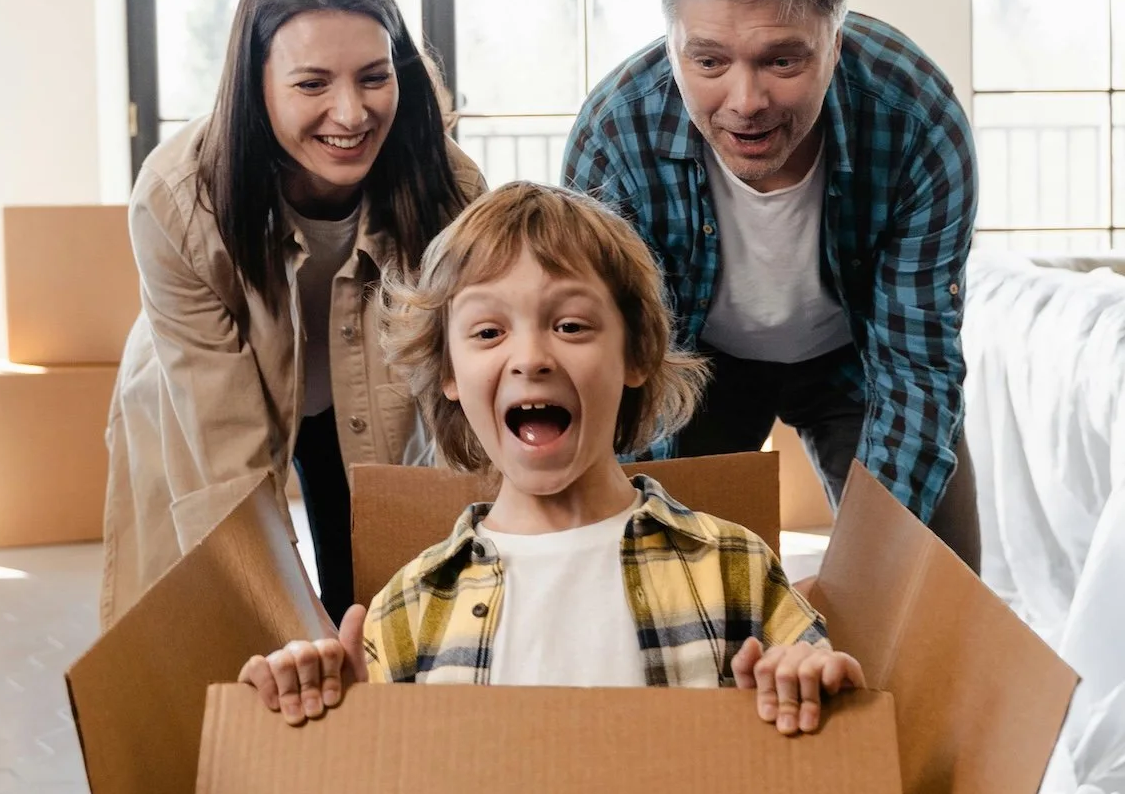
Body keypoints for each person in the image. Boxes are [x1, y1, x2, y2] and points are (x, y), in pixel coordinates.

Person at [240, 181, 862, 734]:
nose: (530, 357)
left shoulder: (736, 570)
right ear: (449, 372)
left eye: (569, 326)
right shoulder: (409, 608)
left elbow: (825, 704)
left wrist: (807, 677)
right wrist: (327, 711)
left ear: (636, 357)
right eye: (488, 332)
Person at [561, 0, 982, 566]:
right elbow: (615, 363)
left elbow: (916, 364)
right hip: (693, 361)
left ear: (835, 42)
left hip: (860, 357)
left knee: (931, 587)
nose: (746, 101)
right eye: (709, 62)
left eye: (782, 60)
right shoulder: (614, 137)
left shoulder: (917, 120)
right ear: (671, 46)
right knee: (659, 581)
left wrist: (871, 575)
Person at [101, 0, 480, 627]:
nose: (351, 112)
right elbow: (228, 470)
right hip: (207, 398)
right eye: (311, 84)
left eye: (374, 77)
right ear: (256, 85)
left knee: (376, 601)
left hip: (371, 397)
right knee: (231, 616)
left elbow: (470, 392)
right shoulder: (175, 201)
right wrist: (297, 629)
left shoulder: (446, 186)